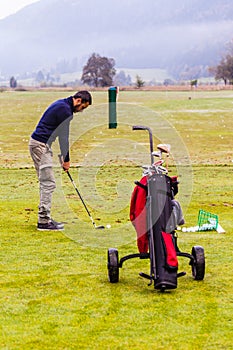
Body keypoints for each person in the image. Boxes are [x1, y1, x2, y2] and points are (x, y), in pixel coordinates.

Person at [29, 90, 92, 231]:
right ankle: (44, 221)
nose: (81, 111)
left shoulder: (62, 104)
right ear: (78, 101)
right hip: (40, 145)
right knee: (48, 183)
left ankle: (45, 217)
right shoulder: (66, 111)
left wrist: (61, 155)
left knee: (46, 182)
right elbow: (64, 137)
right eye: (83, 107)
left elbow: (56, 131)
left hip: (41, 144)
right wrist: (67, 160)